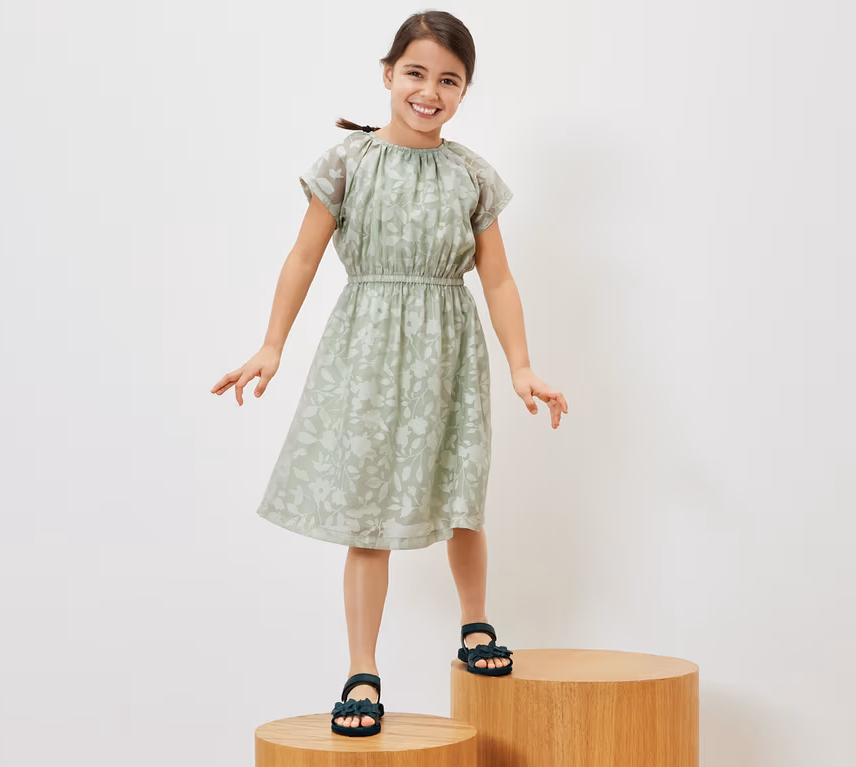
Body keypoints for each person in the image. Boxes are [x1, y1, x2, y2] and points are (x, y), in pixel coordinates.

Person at [211, 10, 567, 737]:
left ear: (464, 91)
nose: (429, 91)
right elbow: (303, 258)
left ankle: (475, 624)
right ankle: (362, 670)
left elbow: (498, 278)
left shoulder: (472, 175)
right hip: (367, 351)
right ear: (387, 74)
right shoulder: (348, 163)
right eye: (416, 73)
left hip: (449, 350)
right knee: (369, 511)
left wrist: (522, 365)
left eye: (449, 80)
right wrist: (272, 345)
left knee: (460, 494)